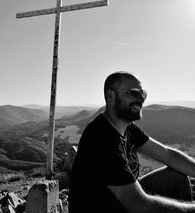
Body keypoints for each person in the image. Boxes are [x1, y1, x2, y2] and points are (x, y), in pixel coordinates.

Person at [68, 71, 195, 213]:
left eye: (143, 94)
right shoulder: (101, 138)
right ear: (111, 96)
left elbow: (167, 155)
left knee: (176, 178)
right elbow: (139, 206)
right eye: (134, 93)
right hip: (103, 207)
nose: (141, 99)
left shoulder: (127, 127)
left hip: (118, 200)